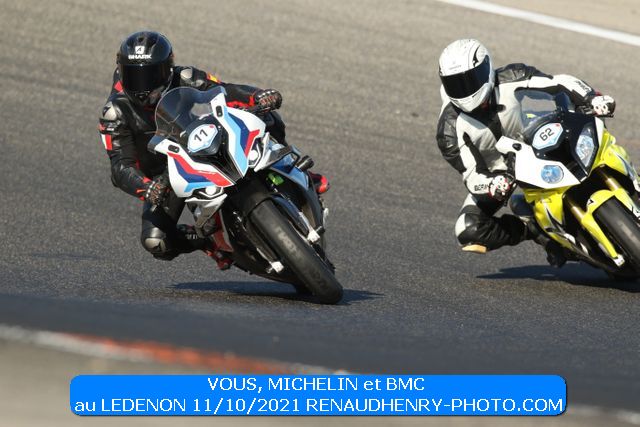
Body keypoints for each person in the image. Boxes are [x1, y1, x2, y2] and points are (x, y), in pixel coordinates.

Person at [98, 31, 329, 266]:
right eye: (134, 77)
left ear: (168, 68)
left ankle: (294, 168)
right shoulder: (114, 113)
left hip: (202, 141)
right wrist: (147, 188)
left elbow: (224, 91)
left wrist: (257, 96)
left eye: (150, 76)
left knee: (266, 116)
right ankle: (207, 242)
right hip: (166, 176)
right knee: (155, 241)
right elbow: (120, 167)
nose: (143, 87)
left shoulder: (185, 76)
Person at [436, 38, 616, 266]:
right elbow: (471, 175)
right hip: (501, 174)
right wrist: (491, 184)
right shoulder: (449, 131)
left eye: (469, 80)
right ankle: (534, 229)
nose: (465, 90)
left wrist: (591, 97)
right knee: (468, 228)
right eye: (456, 84)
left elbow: (558, 83)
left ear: (486, 68)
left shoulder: (512, 77)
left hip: (539, 140)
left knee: (593, 133)